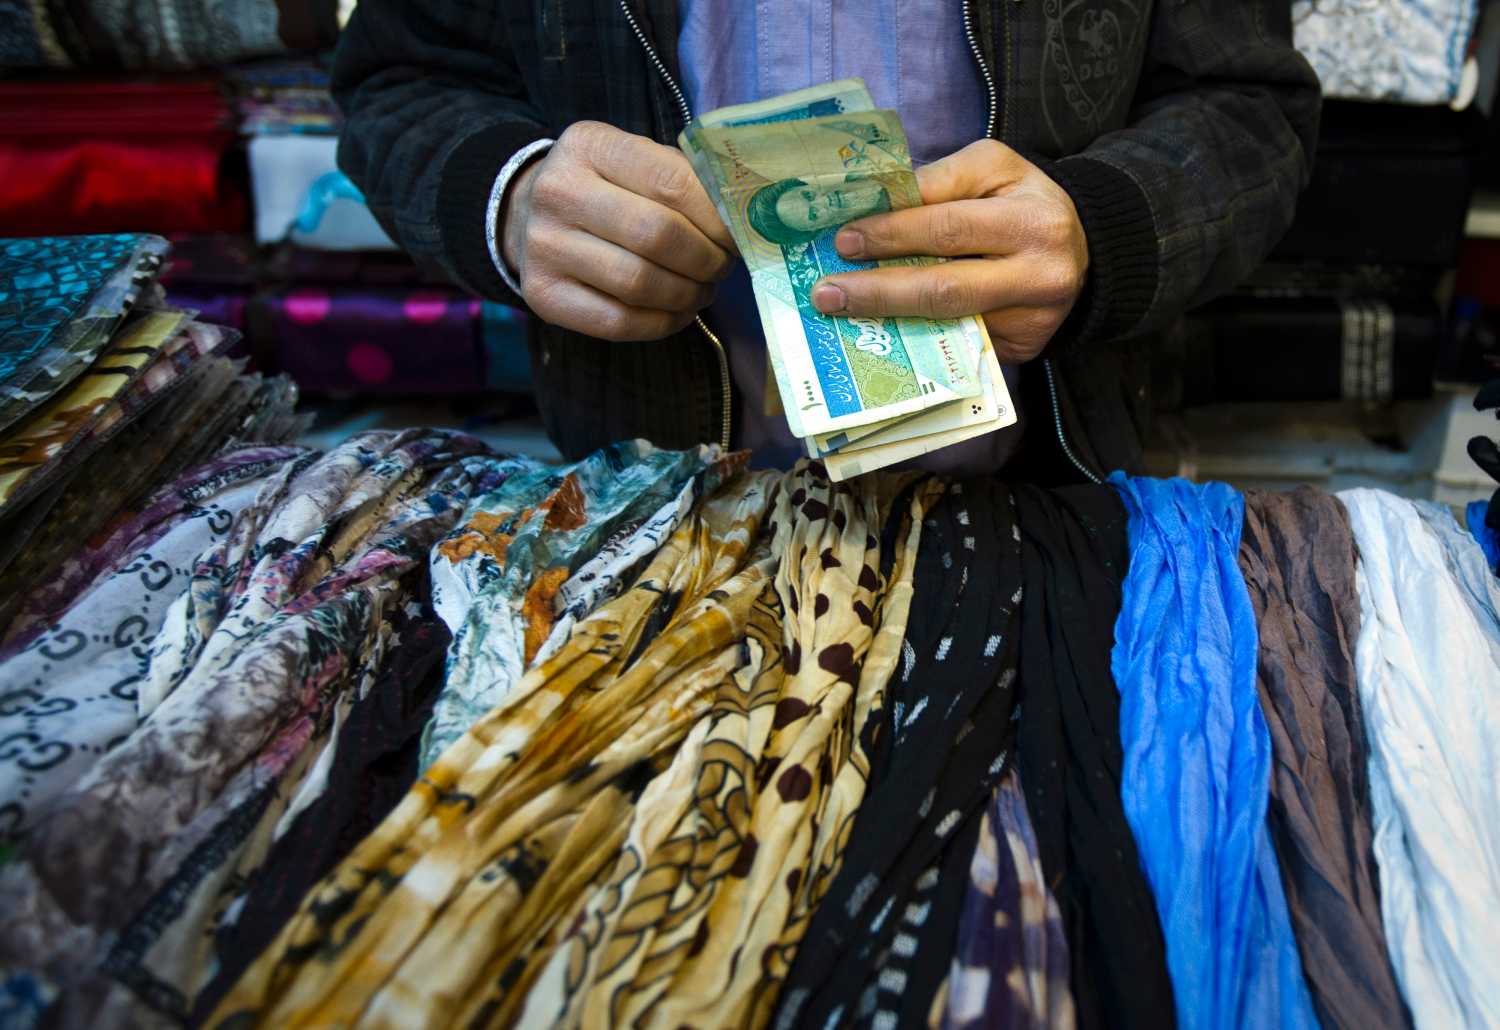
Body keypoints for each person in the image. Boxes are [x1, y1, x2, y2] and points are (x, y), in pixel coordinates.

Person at [331, 1, 1320, 479]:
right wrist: (508, 195)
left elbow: (1248, 110)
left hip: (1054, 477)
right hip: (651, 488)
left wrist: (1102, 229)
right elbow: (400, 83)